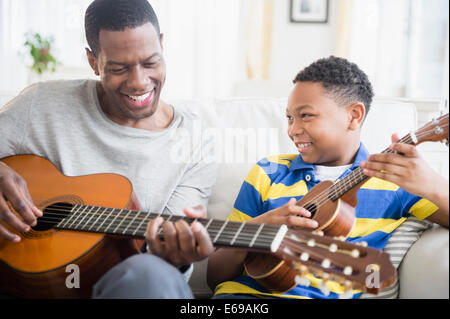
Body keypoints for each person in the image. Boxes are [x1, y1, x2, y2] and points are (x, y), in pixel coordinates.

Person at [0, 0, 216, 298]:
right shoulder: (41, 104)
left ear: (162, 45)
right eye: (119, 68)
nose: (140, 82)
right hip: (27, 284)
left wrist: (174, 259)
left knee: (150, 274)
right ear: (93, 61)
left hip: (124, 287)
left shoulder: (195, 139)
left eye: (150, 62)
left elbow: (166, 255)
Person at [207, 56, 449, 299]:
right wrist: (259, 228)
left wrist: (434, 185)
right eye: (290, 117)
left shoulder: (394, 182)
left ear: (353, 116)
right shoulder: (268, 172)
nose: (293, 129)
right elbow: (214, 276)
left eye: (306, 116)